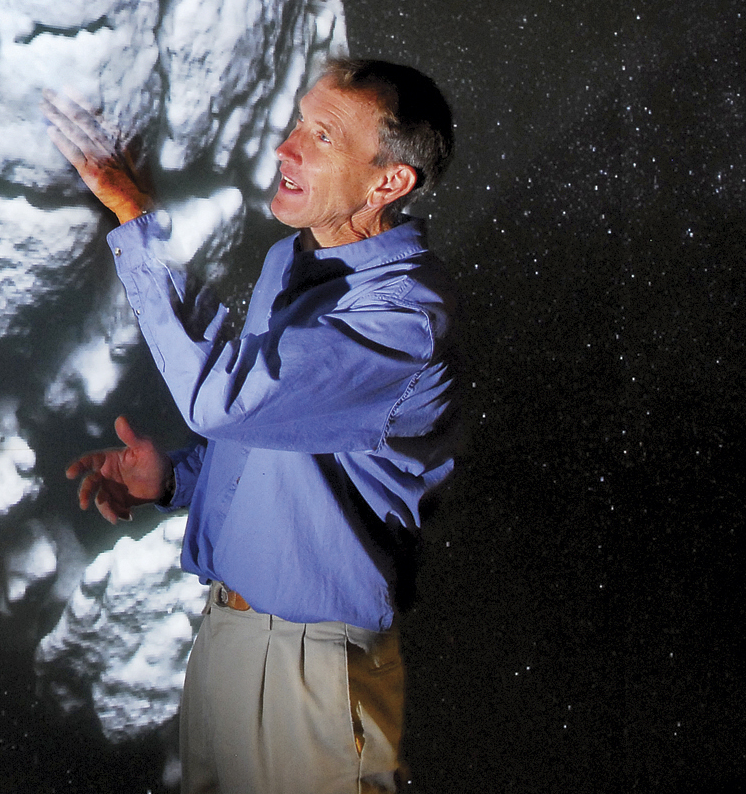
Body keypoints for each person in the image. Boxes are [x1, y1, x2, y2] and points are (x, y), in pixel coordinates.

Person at [43, 57, 459, 793]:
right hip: (229, 637)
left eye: (322, 136)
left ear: (388, 183)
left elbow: (224, 400)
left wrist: (136, 219)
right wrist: (174, 477)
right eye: (299, 120)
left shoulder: (404, 320)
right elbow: (279, 445)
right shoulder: (291, 262)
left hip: (315, 670)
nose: (286, 148)